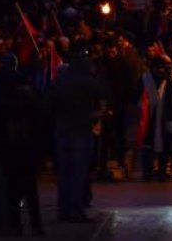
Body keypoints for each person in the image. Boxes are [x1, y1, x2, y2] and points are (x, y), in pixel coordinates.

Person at [48, 46, 107, 223]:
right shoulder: (88, 81)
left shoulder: (60, 82)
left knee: (64, 173)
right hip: (81, 133)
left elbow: (47, 105)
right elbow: (103, 96)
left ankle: (64, 210)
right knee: (78, 173)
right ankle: (75, 211)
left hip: (62, 132)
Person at [0, 53, 45, 237]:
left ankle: (18, 225)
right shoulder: (21, 86)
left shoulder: (0, 87)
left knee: (16, 192)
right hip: (19, 147)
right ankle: (31, 225)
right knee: (26, 192)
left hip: (15, 147)